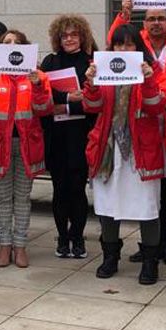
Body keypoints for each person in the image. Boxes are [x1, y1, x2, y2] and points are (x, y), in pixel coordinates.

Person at [83, 25, 165, 284]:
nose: (123, 49)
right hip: (108, 150)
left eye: (129, 45)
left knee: (147, 206)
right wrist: (91, 83)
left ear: (138, 48)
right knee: (107, 205)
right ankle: (110, 256)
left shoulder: (151, 71)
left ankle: (150, 261)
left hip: (140, 150)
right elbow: (91, 106)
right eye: (119, 45)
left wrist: (149, 80)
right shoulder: (104, 71)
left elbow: (156, 108)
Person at [109, 0, 166, 267]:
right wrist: (124, 13)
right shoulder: (134, 47)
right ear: (144, 23)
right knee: (146, 192)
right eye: (151, 19)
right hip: (142, 129)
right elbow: (113, 45)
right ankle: (147, 247)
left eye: (161, 18)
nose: (156, 23)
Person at [0, 29, 51, 268]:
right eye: (7, 42)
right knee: (4, 198)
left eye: (18, 42)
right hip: (0, 145)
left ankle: (20, 246)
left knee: (23, 199)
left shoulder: (37, 74)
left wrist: (38, 86)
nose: (12, 45)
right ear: (0, 48)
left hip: (27, 145)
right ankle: (4, 246)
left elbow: (45, 109)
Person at [41, 14, 97, 260]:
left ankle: (78, 236)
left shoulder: (91, 62)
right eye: (65, 35)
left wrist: (65, 106)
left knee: (77, 188)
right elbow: (42, 96)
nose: (69, 39)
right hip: (56, 136)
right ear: (58, 38)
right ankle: (62, 237)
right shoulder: (50, 62)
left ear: (82, 36)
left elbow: (95, 99)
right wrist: (65, 99)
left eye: (74, 34)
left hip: (81, 135)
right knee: (59, 188)